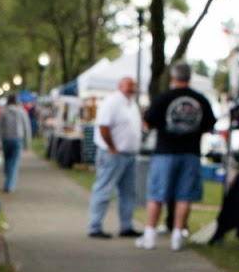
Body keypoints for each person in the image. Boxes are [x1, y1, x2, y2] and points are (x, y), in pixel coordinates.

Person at [137, 61, 216, 251]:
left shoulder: (164, 97)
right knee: (184, 196)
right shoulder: (200, 99)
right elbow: (209, 125)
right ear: (189, 77)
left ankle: (150, 236)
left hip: (165, 152)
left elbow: (148, 122)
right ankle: (177, 236)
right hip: (191, 153)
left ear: (173, 77)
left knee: (156, 194)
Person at [86, 76, 143, 239]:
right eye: (128, 85)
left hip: (129, 154)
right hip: (113, 154)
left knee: (128, 192)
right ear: (120, 86)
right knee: (104, 189)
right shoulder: (112, 102)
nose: (131, 88)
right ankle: (95, 225)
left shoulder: (132, 104)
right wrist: (112, 147)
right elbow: (103, 126)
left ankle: (126, 225)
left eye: (133, 85)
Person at [0, 92, 32, 192]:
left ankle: (8, 179)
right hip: (17, 140)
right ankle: (9, 184)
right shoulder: (22, 112)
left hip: (6, 139)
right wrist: (27, 143)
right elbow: (26, 128)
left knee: (7, 161)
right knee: (14, 163)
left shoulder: (3, 112)